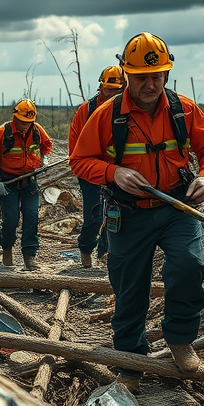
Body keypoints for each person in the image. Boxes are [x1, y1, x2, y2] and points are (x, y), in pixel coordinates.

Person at [69, 33, 204, 391]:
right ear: (127, 75)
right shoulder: (107, 116)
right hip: (129, 213)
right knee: (128, 286)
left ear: (167, 74)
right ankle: (130, 359)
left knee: (189, 265)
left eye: (157, 76)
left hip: (177, 207)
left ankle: (180, 340)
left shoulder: (183, 110)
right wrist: (114, 173)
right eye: (141, 76)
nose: (150, 84)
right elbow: (80, 161)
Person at [67, 66, 124, 267]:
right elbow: (74, 143)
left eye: (117, 90)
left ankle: (104, 253)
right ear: (101, 87)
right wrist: (80, 166)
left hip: (117, 173)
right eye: (109, 89)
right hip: (90, 171)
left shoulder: (126, 109)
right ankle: (85, 248)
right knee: (94, 216)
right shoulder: (87, 110)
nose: (112, 93)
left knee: (114, 216)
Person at [0, 99, 53, 271]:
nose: (25, 126)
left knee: (31, 217)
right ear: (15, 117)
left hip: (29, 181)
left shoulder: (36, 130)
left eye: (29, 122)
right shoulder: (3, 132)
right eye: (23, 122)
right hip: (8, 182)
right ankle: (7, 248)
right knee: (11, 219)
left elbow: (47, 144)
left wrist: (44, 158)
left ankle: (29, 256)